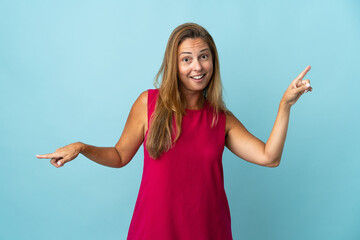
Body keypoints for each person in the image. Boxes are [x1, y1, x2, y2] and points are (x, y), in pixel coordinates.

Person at [36, 23, 312, 239]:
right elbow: (120, 156)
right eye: (187, 59)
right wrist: (82, 148)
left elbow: (269, 157)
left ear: (213, 62)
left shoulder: (221, 119)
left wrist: (284, 105)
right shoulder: (148, 103)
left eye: (204, 57)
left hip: (208, 232)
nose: (197, 66)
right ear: (174, 64)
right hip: (155, 231)